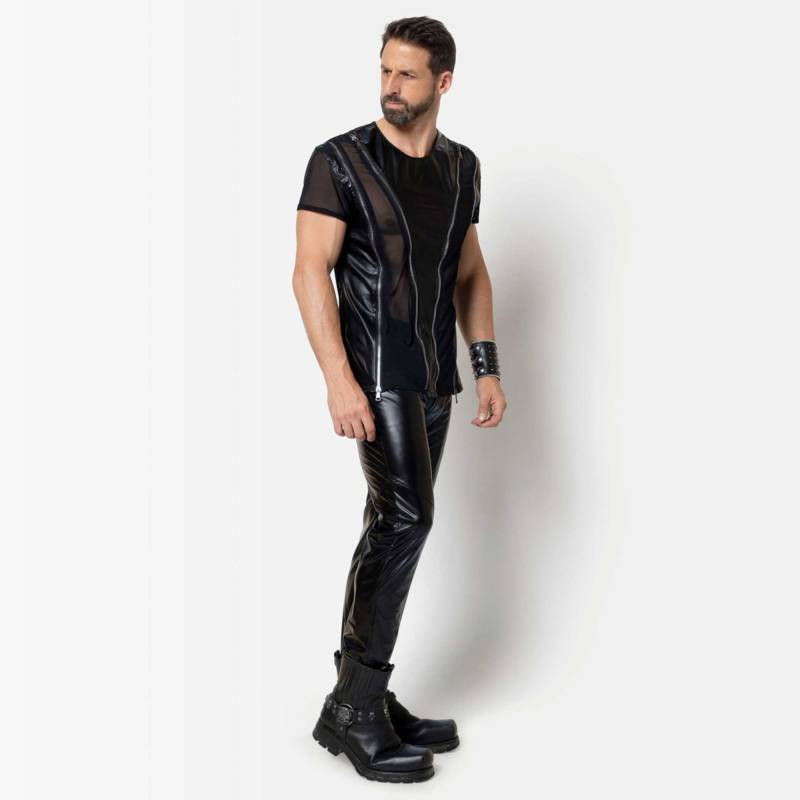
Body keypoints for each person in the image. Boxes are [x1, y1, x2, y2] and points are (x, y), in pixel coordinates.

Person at [292, 16, 507, 783]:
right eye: (385, 69)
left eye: (407, 74)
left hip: (436, 378)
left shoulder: (461, 167)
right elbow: (308, 272)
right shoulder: (340, 161)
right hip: (377, 377)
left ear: (442, 82)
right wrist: (338, 381)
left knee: (390, 523)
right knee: (409, 518)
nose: (390, 86)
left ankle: (360, 699)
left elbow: (469, 271)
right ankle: (356, 709)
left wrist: (485, 366)